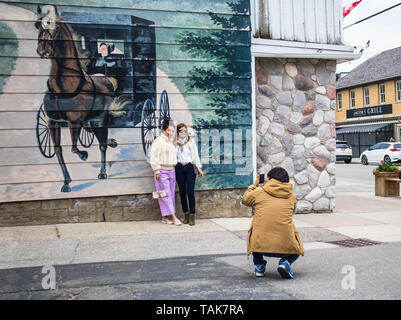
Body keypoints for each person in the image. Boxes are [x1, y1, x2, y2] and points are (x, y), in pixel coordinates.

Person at [242, 167, 304, 279]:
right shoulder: (292, 197)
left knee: (256, 233)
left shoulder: (259, 192)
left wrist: (254, 185)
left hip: (260, 245)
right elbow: (292, 210)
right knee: (298, 248)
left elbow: (245, 200)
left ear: (269, 179)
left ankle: (259, 266)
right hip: (285, 244)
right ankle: (286, 262)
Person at [149, 119, 182, 226]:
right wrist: (157, 170)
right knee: (166, 194)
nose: (171, 133)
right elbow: (154, 157)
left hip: (172, 170)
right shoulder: (158, 141)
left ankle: (164, 217)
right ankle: (174, 217)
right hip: (161, 171)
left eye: (173, 131)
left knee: (169, 195)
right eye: (169, 130)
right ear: (164, 129)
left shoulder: (171, 142)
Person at [175, 123, 204, 226]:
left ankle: (192, 215)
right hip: (179, 168)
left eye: (185, 131)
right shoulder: (175, 143)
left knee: (190, 192)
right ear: (178, 132)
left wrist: (199, 167)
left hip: (190, 167)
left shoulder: (191, 142)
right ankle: (185, 214)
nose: (183, 133)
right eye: (181, 131)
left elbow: (196, 155)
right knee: (182, 192)